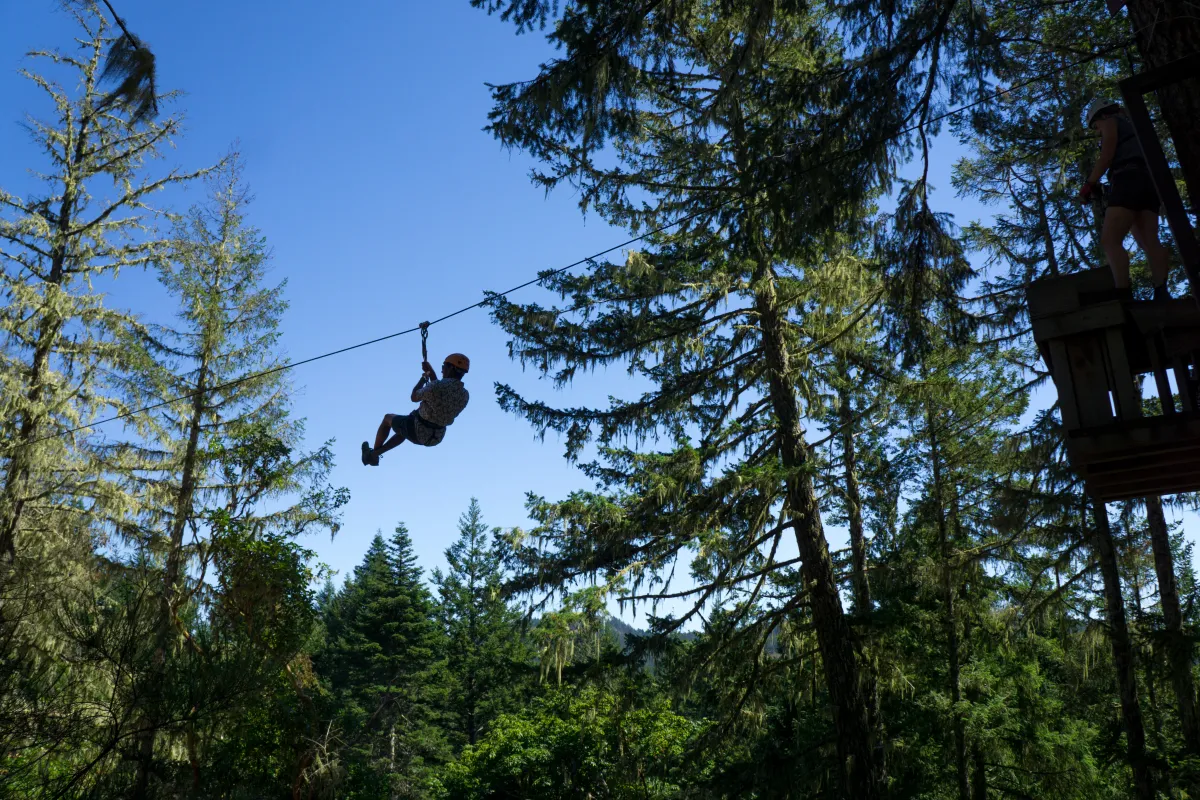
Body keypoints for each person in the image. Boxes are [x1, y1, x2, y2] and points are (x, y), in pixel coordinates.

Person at [1077, 98, 1172, 301]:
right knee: (1149, 242)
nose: (1097, 132)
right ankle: (1161, 291)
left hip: (1127, 179)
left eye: (1096, 126)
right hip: (1148, 182)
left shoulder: (1111, 121)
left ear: (1102, 115)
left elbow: (1107, 155)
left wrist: (1089, 184)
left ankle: (1123, 293)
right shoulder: (1134, 128)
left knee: (1110, 240)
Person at [361, 353, 470, 466]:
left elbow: (414, 397)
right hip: (436, 436)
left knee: (387, 418)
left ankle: (372, 455)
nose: (442, 370)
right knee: (402, 430)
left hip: (417, 429)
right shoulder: (464, 395)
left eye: (443, 367)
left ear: (451, 368)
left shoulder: (436, 387)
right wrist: (430, 371)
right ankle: (374, 455)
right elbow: (440, 392)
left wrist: (423, 379)